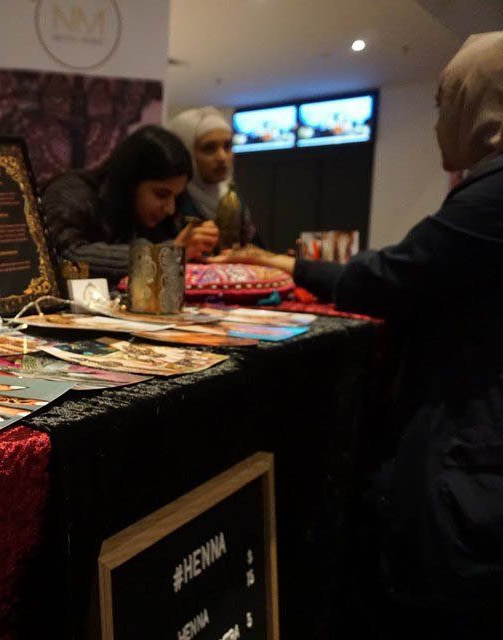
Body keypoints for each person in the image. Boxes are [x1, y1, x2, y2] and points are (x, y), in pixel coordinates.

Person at [211, 32, 503, 637]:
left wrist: (284, 263)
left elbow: (393, 276)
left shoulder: (493, 194)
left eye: (443, 103)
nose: (436, 124)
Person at [42, 125, 220, 281]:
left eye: (176, 196)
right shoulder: (70, 193)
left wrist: (205, 251)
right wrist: (168, 254)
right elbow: (66, 257)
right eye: (161, 194)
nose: (170, 209)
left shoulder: (151, 215)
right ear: (130, 182)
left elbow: (174, 243)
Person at [166, 106, 261, 248]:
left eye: (227, 146)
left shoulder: (232, 198)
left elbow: (255, 249)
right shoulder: (170, 200)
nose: (222, 157)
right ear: (187, 154)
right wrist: (180, 250)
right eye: (209, 148)